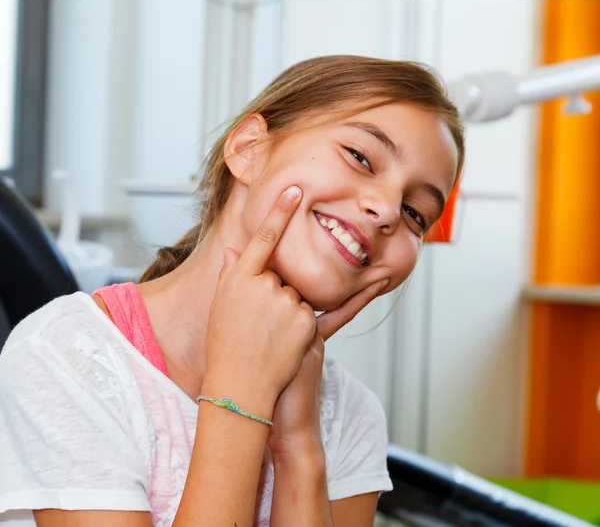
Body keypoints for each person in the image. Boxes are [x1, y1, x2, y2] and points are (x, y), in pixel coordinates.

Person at [0, 55, 464, 527]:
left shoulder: (350, 412)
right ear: (248, 149)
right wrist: (242, 390)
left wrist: (300, 447)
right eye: (361, 157)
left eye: (415, 213)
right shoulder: (63, 355)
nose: (386, 209)